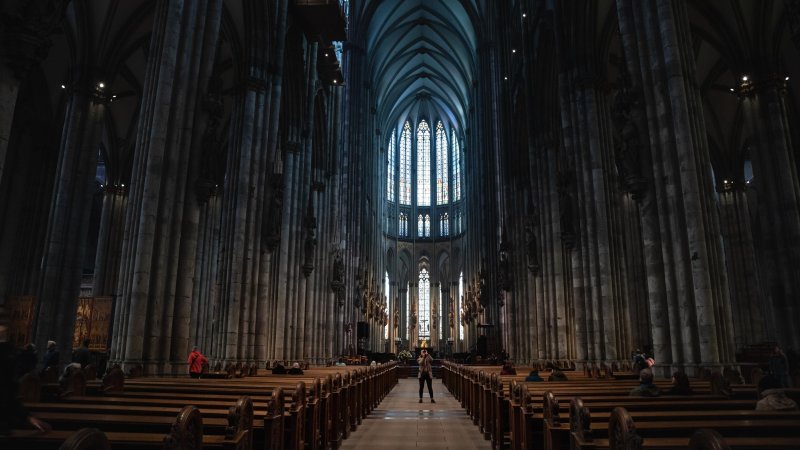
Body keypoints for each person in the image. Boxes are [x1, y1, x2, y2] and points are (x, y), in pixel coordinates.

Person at [0, 306, 51, 434]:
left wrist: (27, 416)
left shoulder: (8, 351)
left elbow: (8, 391)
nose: (4, 328)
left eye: (5, 323)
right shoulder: (6, 352)